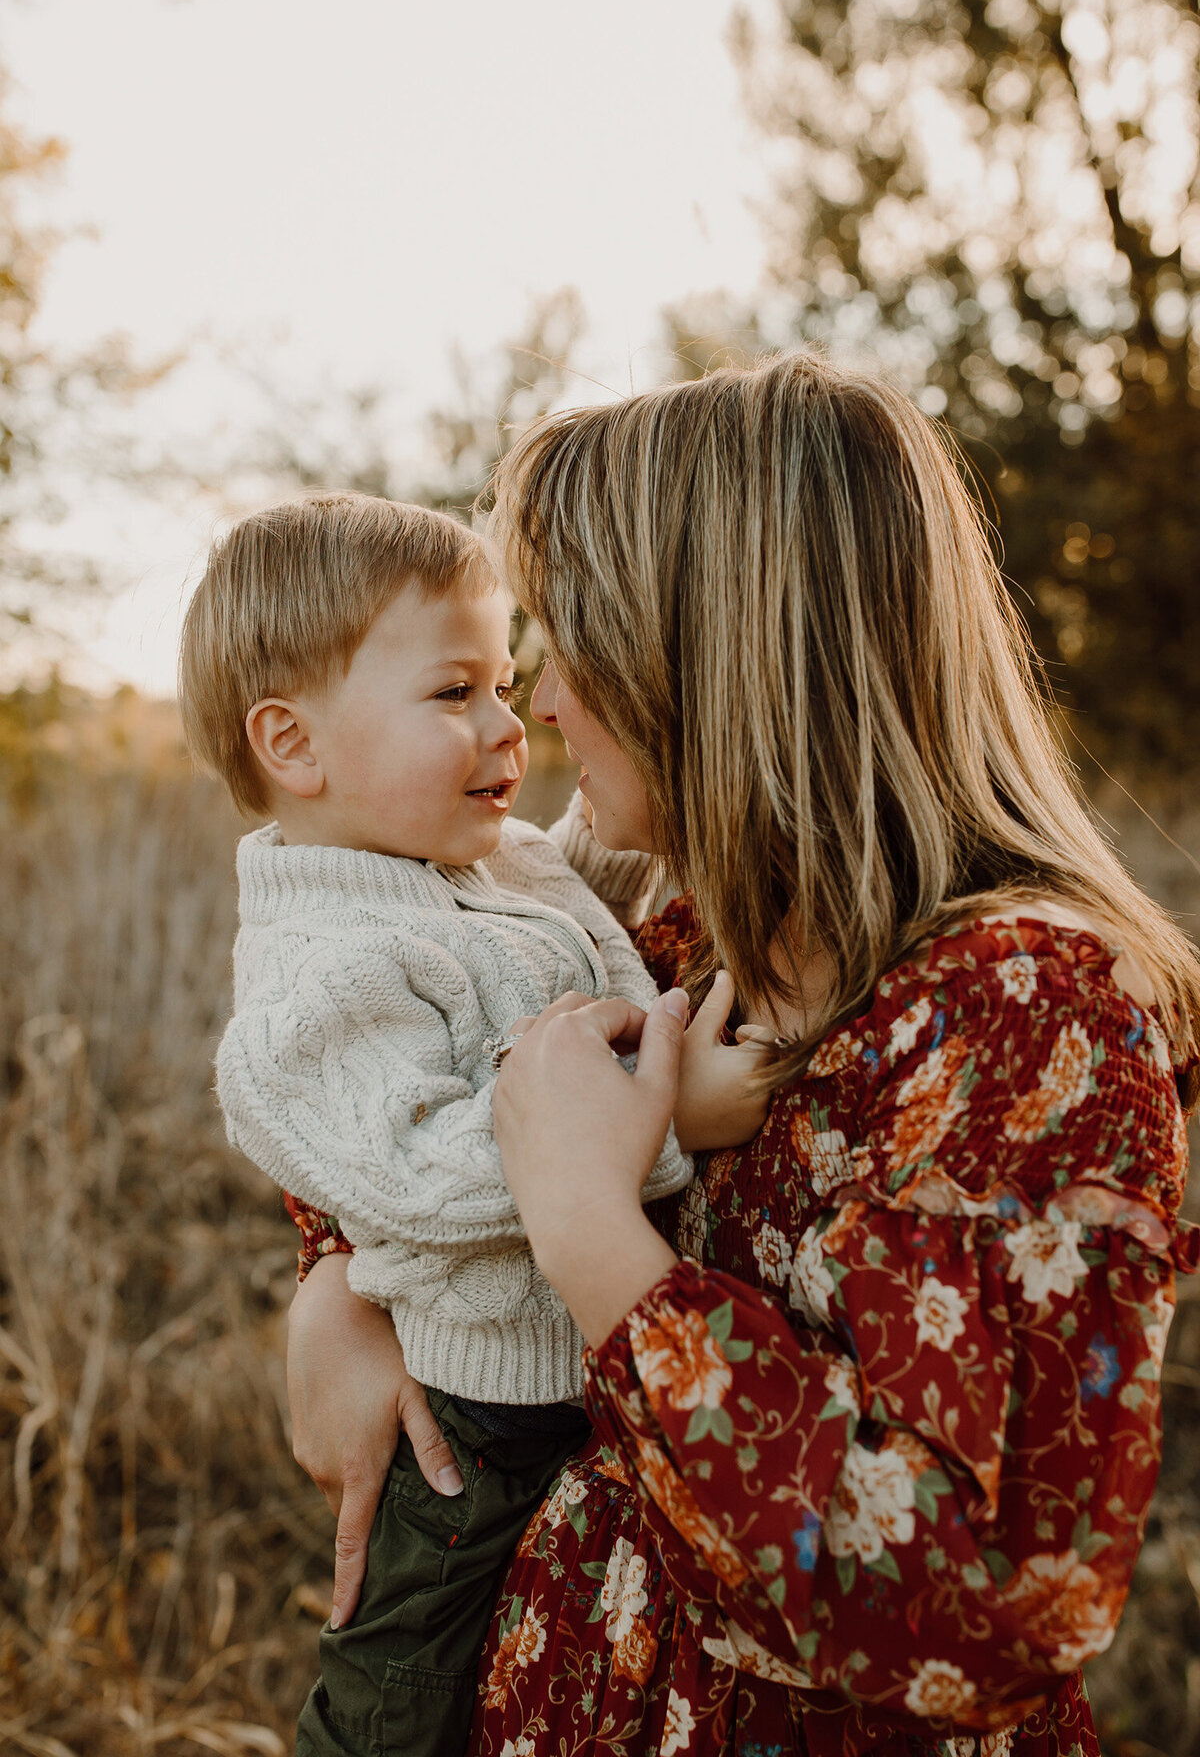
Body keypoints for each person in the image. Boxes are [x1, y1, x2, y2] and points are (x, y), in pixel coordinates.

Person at [285, 355, 1200, 1757]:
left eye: (576, 639)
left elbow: (996, 1606)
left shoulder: (1026, 1015)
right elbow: (413, 1063)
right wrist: (334, 1284)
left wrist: (599, 1242)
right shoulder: (673, 933)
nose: (542, 705)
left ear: (708, 657)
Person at [179, 492, 771, 1757]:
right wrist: (674, 1127)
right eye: (457, 693)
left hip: (587, 1399)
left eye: (506, 683)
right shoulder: (319, 968)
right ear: (293, 743)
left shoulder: (487, 862)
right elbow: (417, 1175)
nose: (514, 724)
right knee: (403, 1699)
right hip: (481, 1429)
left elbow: (591, 905)